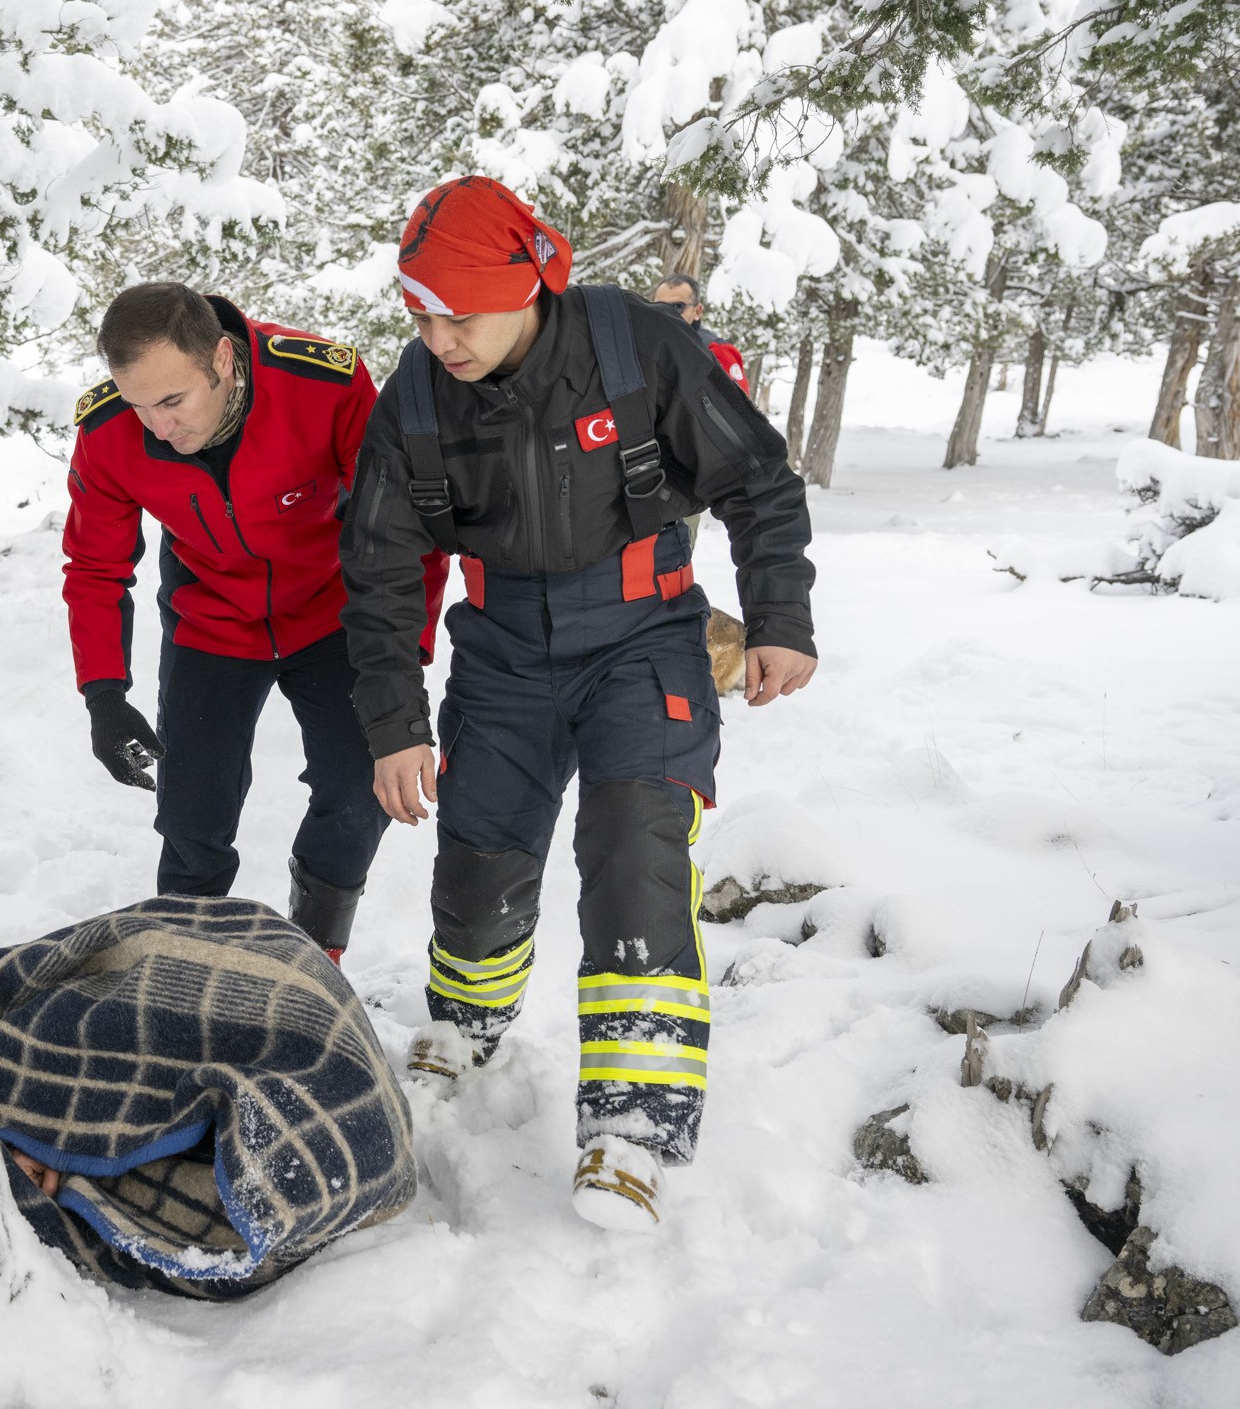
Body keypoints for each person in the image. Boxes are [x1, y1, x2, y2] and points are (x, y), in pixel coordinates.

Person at [340, 176, 817, 1232]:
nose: (437, 334)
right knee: (479, 848)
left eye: (459, 311)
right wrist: (394, 724)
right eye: (418, 310)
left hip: (644, 634)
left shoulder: (633, 347)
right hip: (503, 647)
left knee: (635, 837)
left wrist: (779, 615)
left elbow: (758, 479)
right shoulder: (415, 399)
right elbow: (377, 571)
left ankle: (632, 1126)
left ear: (529, 286)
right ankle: (468, 1012)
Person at [61, 283, 436, 960]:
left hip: (333, 613)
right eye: (139, 405)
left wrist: (402, 664)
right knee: (190, 813)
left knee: (359, 791)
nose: (157, 427)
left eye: (172, 402)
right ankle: (188, 965)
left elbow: (401, 527)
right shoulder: (109, 432)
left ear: (224, 360)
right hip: (212, 621)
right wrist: (103, 694)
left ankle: (318, 950)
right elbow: (93, 568)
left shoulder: (323, 383)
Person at [648, 274, 751, 394]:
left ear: (697, 311)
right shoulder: (646, 347)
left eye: (677, 307)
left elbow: (739, 407)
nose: (667, 313)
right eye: (660, 307)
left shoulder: (716, 351)